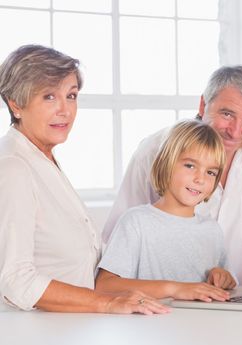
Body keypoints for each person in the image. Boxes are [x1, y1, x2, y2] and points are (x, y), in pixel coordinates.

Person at [102, 66, 242, 286]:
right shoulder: (155, 150)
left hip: (241, 297)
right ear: (203, 105)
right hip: (158, 304)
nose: (235, 131)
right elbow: (117, 251)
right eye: (227, 114)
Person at [0, 44, 168, 314]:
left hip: (73, 327)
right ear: (16, 103)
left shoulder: (42, 158)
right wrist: (109, 303)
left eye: (71, 95)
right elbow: (15, 280)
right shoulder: (12, 167)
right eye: (49, 97)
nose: (65, 110)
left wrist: (176, 285)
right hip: (35, 334)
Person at [95, 120, 236, 301]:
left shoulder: (212, 230)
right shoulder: (136, 222)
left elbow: (226, 282)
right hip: (151, 325)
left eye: (210, 172)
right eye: (190, 166)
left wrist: (223, 277)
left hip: (201, 326)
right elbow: (105, 285)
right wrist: (175, 288)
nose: (200, 179)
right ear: (166, 163)